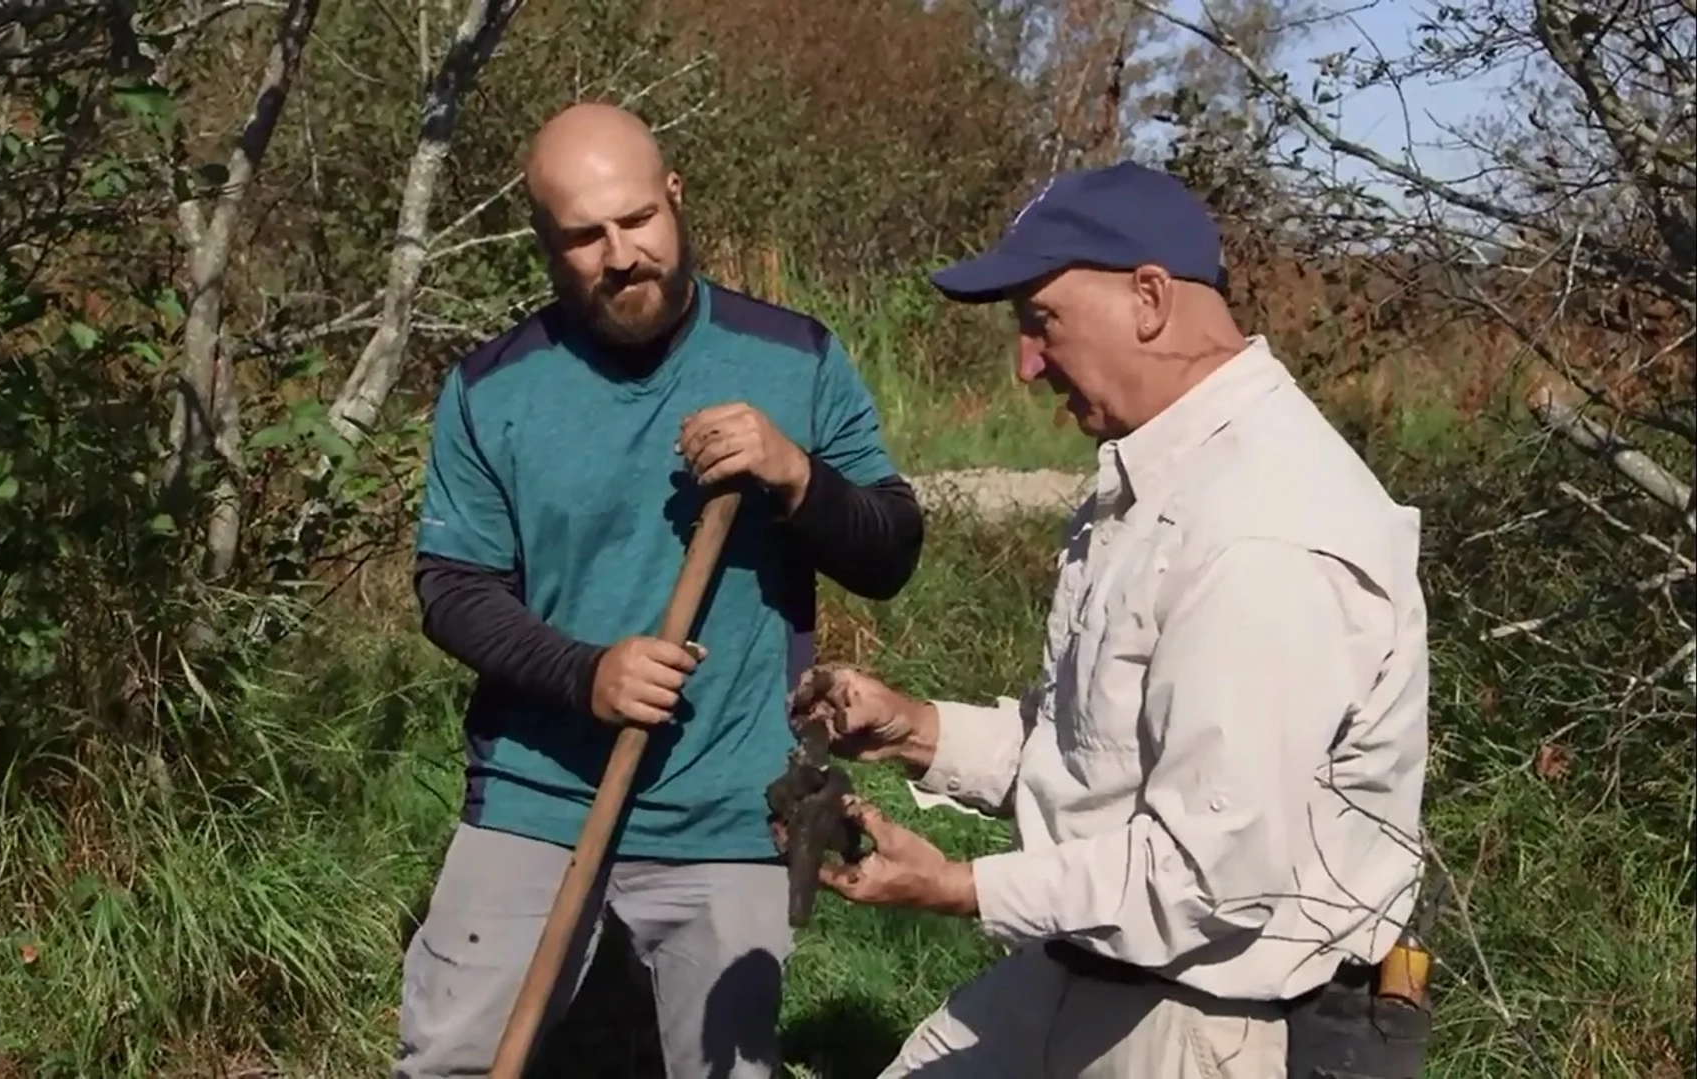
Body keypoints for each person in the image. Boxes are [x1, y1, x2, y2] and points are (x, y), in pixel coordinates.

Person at [790, 161, 1431, 1078]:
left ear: (1149, 297)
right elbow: (1100, 761)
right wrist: (916, 732)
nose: (1025, 363)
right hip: (1094, 956)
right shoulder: (1158, 478)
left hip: (1222, 1019)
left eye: (1040, 320)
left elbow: (1208, 875)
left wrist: (957, 886)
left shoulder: (1263, 529)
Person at [396, 102, 926, 1078]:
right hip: (535, 798)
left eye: (637, 220)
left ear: (675, 198)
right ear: (546, 243)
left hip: (725, 806)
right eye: (583, 236)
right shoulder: (493, 387)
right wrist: (583, 671)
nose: (620, 254)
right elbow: (452, 585)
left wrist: (795, 474)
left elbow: (890, 550)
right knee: (453, 1058)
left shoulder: (794, 356)